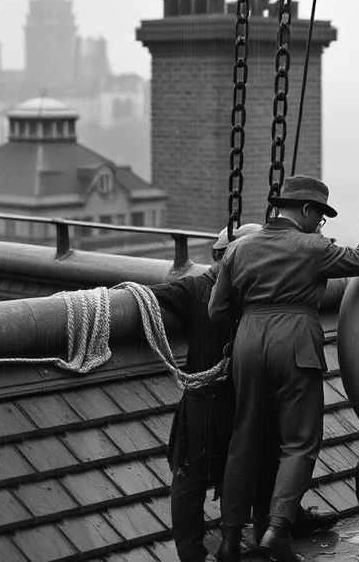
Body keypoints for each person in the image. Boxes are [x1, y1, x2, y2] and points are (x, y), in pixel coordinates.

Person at [209, 174, 359, 562]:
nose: (320, 224)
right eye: (320, 216)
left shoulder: (239, 249)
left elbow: (217, 310)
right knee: (300, 441)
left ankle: (228, 540)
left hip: (248, 341)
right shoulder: (312, 246)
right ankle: (276, 532)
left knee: (244, 440)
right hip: (295, 340)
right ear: (307, 211)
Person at [149, 222, 261, 562]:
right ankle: (199, 553)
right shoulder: (207, 289)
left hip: (224, 403)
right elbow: (149, 297)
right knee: (201, 478)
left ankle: (207, 550)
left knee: (212, 478)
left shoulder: (214, 290)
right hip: (220, 402)